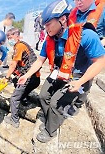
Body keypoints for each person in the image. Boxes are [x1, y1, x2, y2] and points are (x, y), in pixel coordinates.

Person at [18, 0, 105, 143]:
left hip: (79, 76)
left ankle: (50, 131)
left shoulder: (85, 34)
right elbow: (40, 61)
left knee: (55, 103)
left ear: (63, 19)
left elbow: (100, 61)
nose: (46, 29)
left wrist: (80, 82)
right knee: (43, 96)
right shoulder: (50, 39)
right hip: (60, 72)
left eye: (48, 24)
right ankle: (51, 120)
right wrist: (26, 75)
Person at [3, 28, 41, 128]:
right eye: (8, 38)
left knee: (14, 98)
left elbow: (13, 64)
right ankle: (24, 98)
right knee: (16, 81)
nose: (9, 39)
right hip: (36, 79)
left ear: (17, 35)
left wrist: (7, 77)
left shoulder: (19, 46)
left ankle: (14, 120)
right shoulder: (24, 45)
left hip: (28, 78)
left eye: (10, 37)